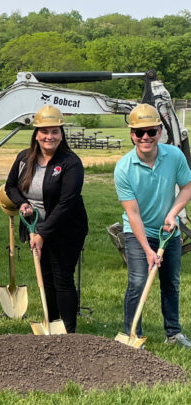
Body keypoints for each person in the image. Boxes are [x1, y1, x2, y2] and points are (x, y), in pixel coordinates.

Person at [5, 105, 88, 333]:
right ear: (36, 134)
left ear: (62, 134)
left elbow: (66, 204)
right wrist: (22, 203)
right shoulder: (24, 158)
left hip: (66, 229)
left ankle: (69, 332)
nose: (49, 137)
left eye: (54, 132)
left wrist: (43, 235)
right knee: (46, 277)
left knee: (62, 277)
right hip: (35, 228)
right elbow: (11, 186)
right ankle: (52, 324)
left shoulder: (71, 163)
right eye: (44, 131)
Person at [114, 103, 191, 347]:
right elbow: (133, 213)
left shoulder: (175, 156)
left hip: (169, 231)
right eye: (139, 132)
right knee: (138, 281)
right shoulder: (123, 168)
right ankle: (133, 334)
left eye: (151, 131)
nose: (145, 137)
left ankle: (173, 333)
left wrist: (173, 214)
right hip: (138, 231)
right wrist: (147, 250)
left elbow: (187, 187)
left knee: (171, 282)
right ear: (131, 135)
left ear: (159, 131)